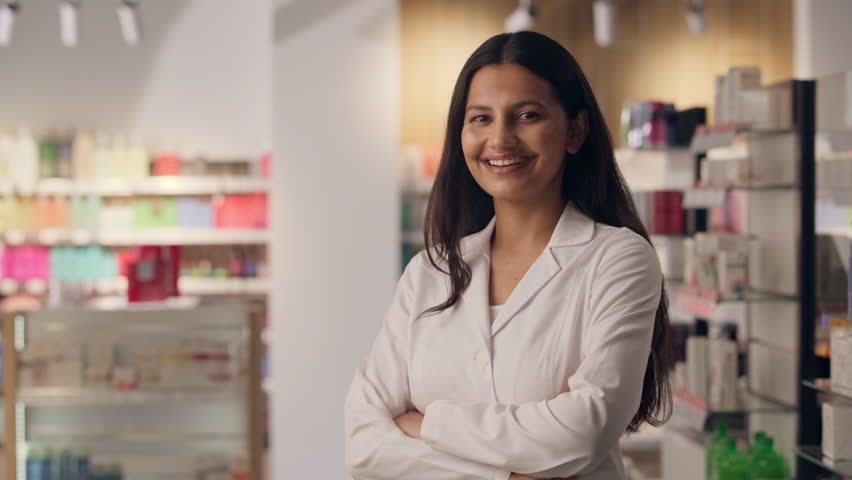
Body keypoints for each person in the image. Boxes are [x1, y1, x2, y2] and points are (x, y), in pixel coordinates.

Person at [344, 31, 672, 480]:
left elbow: (585, 430)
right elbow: (364, 444)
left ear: (575, 130)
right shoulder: (429, 271)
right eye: (480, 118)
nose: (500, 138)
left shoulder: (617, 260)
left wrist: (428, 424)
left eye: (527, 115)